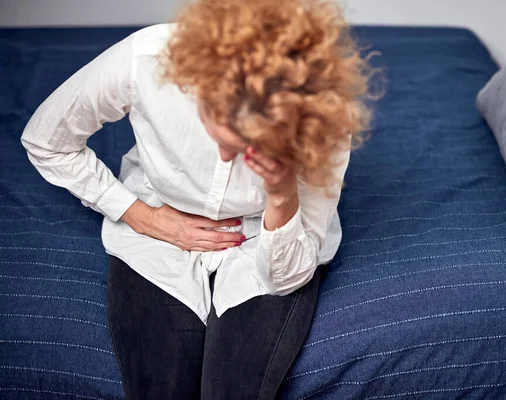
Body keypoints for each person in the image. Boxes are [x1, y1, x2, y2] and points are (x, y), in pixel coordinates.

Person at [21, 0, 374, 398]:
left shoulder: (320, 113)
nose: (225, 156)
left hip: (267, 241)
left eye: (247, 148)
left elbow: (286, 274)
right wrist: (141, 216)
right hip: (153, 237)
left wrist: (281, 196)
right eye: (217, 133)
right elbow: (46, 141)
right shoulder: (146, 59)